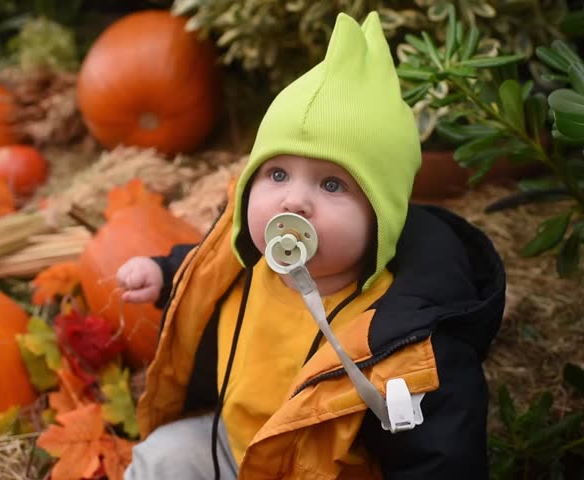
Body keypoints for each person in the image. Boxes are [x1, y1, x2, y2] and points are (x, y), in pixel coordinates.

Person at [116, 10, 505, 480]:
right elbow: (200, 276)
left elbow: (441, 455)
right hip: (236, 444)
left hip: (324, 471)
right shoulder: (242, 261)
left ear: (381, 218)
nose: (294, 200)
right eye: (277, 174)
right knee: (163, 457)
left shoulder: (405, 338)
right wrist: (162, 273)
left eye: (332, 185)